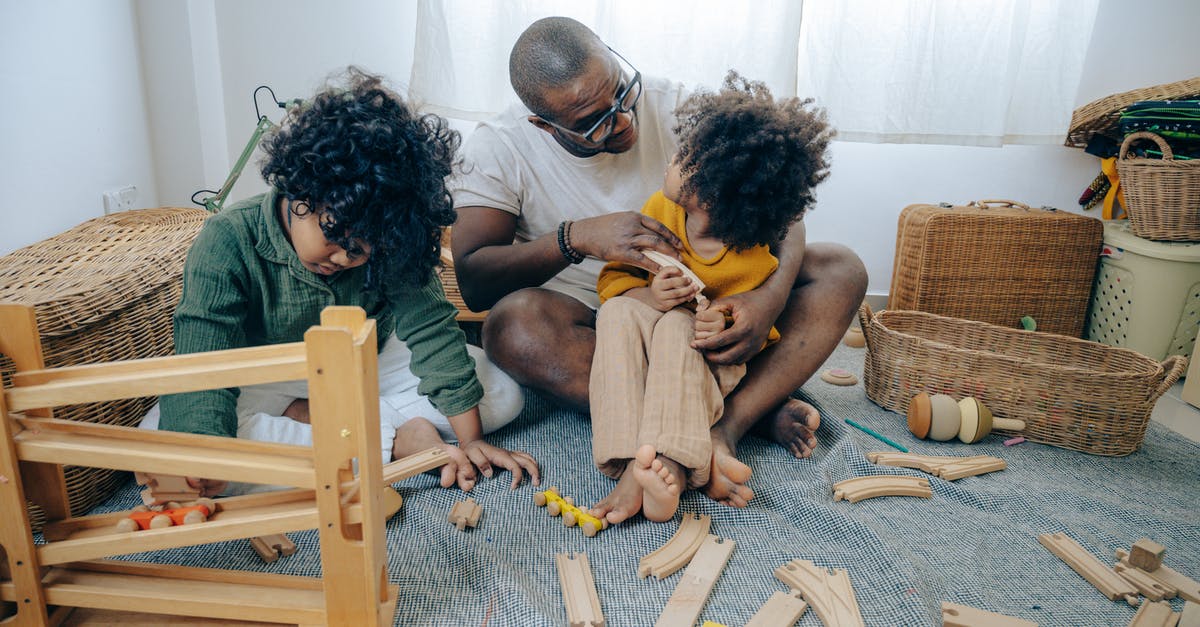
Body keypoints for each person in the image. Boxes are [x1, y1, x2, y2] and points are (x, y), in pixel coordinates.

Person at [449, 18, 867, 513]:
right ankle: (736, 414)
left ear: (610, 53)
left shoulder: (680, 107)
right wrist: (575, 238)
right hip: (598, 322)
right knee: (512, 326)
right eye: (594, 122)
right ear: (544, 125)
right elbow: (474, 280)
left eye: (622, 94)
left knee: (842, 268)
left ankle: (726, 427)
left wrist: (767, 300)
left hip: (719, 310)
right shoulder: (498, 149)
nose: (624, 121)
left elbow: (785, 210)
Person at [144, 68, 539, 497]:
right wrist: (205, 451)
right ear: (298, 191)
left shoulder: (390, 237)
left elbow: (430, 329)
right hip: (264, 375)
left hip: (365, 362)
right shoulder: (228, 238)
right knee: (165, 442)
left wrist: (472, 442)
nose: (344, 258)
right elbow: (204, 362)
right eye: (333, 237)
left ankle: (337, 426)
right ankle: (394, 438)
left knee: (502, 394)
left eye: (362, 250)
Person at [588, 71, 834, 523]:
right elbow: (613, 282)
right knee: (620, 313)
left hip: (702, 366)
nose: (672, 159)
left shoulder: (753, 259)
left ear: (715, 192)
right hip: (647, 335)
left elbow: (753, 336)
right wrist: (650, 295)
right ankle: (628, 459)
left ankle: (673, 465)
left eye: (686, 157)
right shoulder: (659, 213)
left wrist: (718, 322)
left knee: (679, 329)